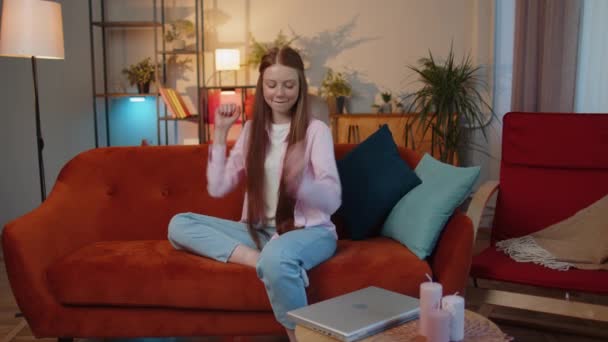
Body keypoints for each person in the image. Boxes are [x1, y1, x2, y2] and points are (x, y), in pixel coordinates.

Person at [167, 46, 341, 342]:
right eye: (272, 85)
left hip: (308, 231)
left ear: (300, 85)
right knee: (179, 224)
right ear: (262, 87)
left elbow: (332, 200)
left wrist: (302, 182)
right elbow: (218, 187)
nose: (280, 93)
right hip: (259, 232)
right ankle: (258, 259)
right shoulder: (251, 130)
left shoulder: (316, 131)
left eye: (289, 85)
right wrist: (221, 134)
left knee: (278, 259)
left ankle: (299, 337)